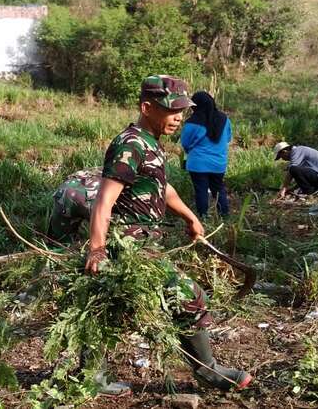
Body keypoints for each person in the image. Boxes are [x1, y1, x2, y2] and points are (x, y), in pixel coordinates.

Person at [84, 75, 252, 391]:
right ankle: (208, 370)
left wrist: (190, 217)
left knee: (105, 306)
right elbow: (104, 200)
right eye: (170, 110)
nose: (178, 118)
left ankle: (91, 378)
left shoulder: (152, 143)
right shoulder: (130, 144)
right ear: (146, 107)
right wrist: (97, 248)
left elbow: (162, 186)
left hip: (148, 242)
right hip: (130, 245)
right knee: (189, 296)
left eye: (181, 111)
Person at [181, 91, 232, 217]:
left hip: (197, 164)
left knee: (201, 191)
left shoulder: (191, 122)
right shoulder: (224, 119)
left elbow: (185, 143)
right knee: (219, 189)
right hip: (219, 163)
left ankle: (203, 217)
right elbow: (228, 138)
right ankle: (224, 215)